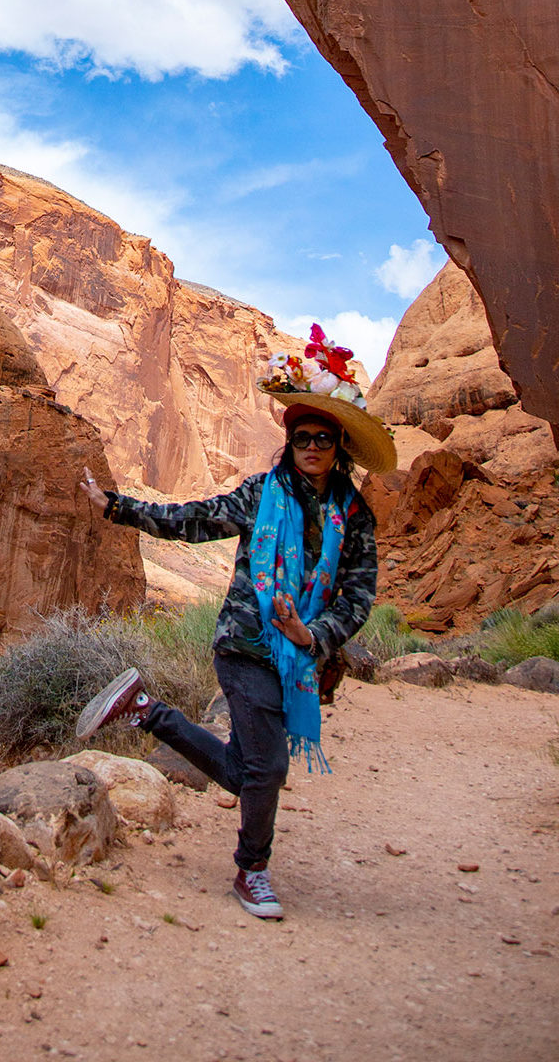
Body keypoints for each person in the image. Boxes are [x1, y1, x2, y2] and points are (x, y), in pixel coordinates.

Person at [76, 329, 395, 922]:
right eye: (302, 438)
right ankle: (253, 871)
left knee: (244, 769)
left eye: (323, 439)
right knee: (269, 768)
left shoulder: (356, 516)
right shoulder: (260, 495)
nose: (312, 447)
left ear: (339, 447)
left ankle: (145, 709)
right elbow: (193, 520)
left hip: (300, 659)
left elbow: (359, 594)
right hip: (244, 645)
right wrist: (118, 506)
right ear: (290, 443)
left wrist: (314, 636)